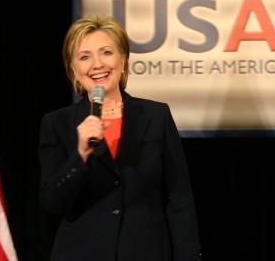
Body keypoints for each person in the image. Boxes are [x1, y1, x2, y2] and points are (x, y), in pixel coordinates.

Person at [39, 14, 202, 260]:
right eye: (84, 57)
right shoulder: (57, 123)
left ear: (123, 59)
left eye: (106, 52)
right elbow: (52, 201)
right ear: (73, 69)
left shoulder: (156, 116)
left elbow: (179, 198)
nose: (97, 64)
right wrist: (80, 155)